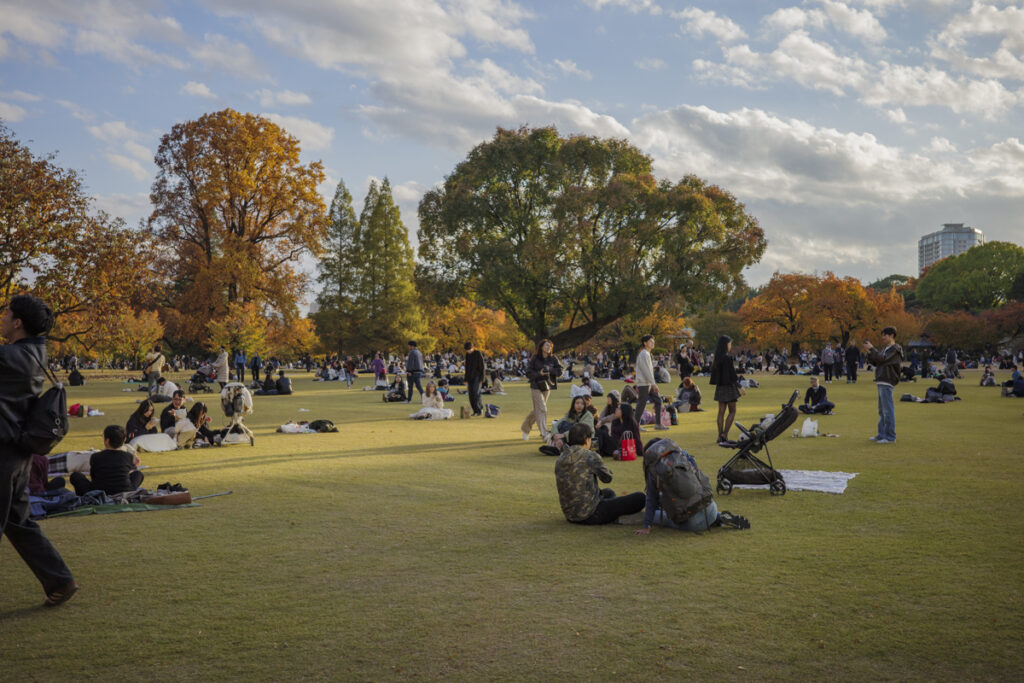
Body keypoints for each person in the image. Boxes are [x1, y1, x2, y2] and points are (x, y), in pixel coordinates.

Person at [0, 294, 77, 606]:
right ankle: (59, 580)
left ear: (18, 322)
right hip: (17, 453)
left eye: (6, 313)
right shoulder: (34, 353)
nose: (2, 317)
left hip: (3, 451)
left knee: (18, 520)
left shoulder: (10, 358)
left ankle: (60, 580)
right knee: (18, 521)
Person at [554, 424, 645, 525]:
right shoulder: (590, 456)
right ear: (587, 439)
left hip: (570, 514)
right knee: (640, 498)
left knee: (608, 493)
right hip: (590, 514)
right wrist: (598, 460)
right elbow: (607, 478)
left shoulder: (561, 457)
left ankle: (611, 516)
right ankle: (615, 519)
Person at [70, 425, 143, 496]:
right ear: (123, 440)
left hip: (99, 491)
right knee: (138, 474)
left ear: (107, 441)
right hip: (125, 490)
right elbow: (127, 472)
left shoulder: (96, 456)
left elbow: (94, 477)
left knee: (75, 476)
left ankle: (84, 496)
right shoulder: (128, 456)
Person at [865, 326, 904, 444]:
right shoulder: (886, 349)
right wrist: (869, 353)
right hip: (881, 380)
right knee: (882, 411)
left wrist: (872, 349)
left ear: (891, 335)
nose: (882, 338)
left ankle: (890, 437)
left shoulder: (895, 349)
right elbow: (877, 361)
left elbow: (882, 359)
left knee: (888, 410)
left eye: (884, 335)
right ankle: (881, 434)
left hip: (887, 381)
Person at [521, 339, 563, 444]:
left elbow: (560, 371)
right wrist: (539, 373)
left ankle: (525, 428)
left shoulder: (553, 359)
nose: (548, 347)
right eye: (546, 345)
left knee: (538, 410)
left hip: (547, 386)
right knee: (542, 409)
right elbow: (528, 372)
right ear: (541, 347)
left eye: (550, 346)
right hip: (536, 386)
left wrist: (550, 370)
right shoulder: (535, 358)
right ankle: (545, 434)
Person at [709, 335, 745, 444]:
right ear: (726, 344)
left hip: (720, 387)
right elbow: (732, 375)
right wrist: (740, 386)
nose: (730, 345)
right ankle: (725, 434)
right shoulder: (727, 358)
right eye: (730, 343)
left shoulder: (717, 358)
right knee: (732, 411)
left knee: (721, 412)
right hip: (729, 387)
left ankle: (720, 436)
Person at [634, 335, 668, 432]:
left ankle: (658, 423)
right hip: (644, 383)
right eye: (650, 341)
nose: (652, 342)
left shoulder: (647, 354)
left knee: (658, 400)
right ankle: (636, 426)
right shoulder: (644, 354)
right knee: (642, 404)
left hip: (648, 382)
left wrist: (652, 383)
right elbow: (646, 371)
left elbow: (649, 371)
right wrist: (653, 383)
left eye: (653, 341)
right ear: (645, 343)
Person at [464, 341, 485, 417]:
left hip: (478, 376)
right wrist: (465, 379)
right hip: (470, 377)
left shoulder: (478, 353)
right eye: (467, 350)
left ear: (472, 348)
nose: (468, 351)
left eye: (469, 350)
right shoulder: (467, 355)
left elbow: (482, 367)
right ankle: (475, 410)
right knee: (471, 394)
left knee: (476, 393)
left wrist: (482, 378)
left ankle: (479, 409)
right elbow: (467, 367)